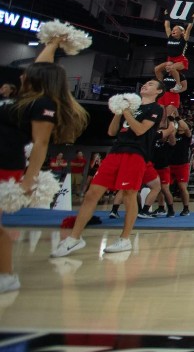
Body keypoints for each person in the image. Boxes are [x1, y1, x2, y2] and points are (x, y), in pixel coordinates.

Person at [1, 39, 90, 291]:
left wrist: (28, 181)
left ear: (37, 79)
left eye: (27, 74)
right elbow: (42, 66)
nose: (22, 75)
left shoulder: (43, 105)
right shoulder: (26, 98)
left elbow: (40, 145)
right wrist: (53, 43)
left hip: (5, 165)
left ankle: (6, 276)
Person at [53, 79, 163, 257]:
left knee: (129, 194)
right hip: (115, 151)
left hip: (135, 154)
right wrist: (119, 111)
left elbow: (140, 130)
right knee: (92, 193)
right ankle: (74, 238)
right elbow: (112, 132)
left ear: (158, 91)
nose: (145, 85)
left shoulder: (156, 109)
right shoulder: (130, 106)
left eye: (151, 84)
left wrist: (126, 112)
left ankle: (125, 239)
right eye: (145, 83)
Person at [155, 17, 193, 89]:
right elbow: (167, 25)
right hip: (170, 59)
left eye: (176, 29)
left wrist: (193, 18)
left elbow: (189, 28)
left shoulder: (184, 39)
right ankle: (161, 84)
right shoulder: (170, 37)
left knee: (172, 68)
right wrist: (167, 15)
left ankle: (178, 84)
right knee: (157, 69)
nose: (173, 30)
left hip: (180, 60)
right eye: (173, 29)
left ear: (181, 32)